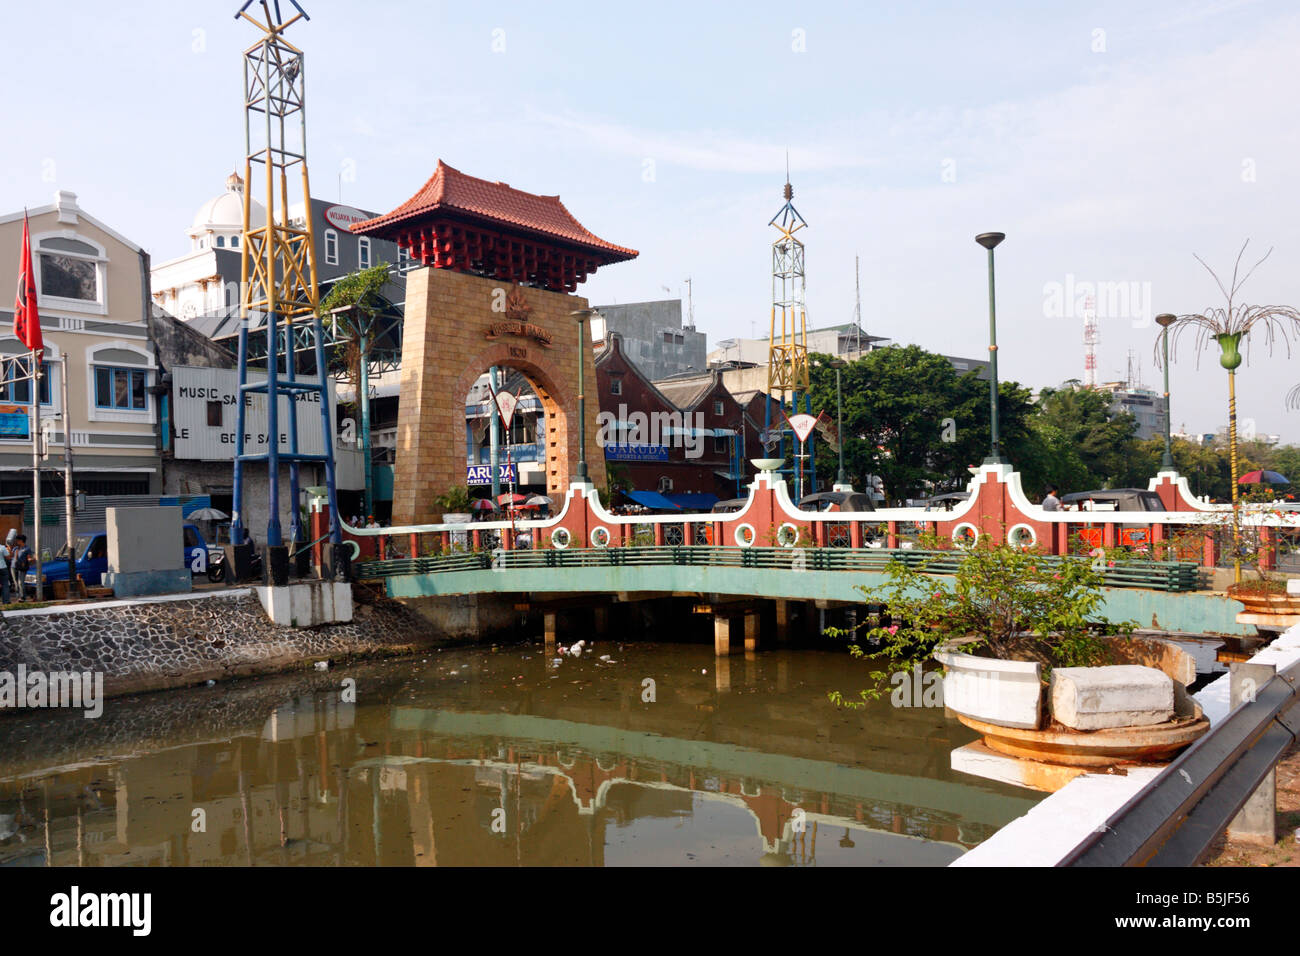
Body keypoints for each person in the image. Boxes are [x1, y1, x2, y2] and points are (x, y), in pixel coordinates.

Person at [10, 535, 31, 601]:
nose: (16, 541)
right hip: (13, 566)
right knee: (15, 582)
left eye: (17, 540)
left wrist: (30, 560)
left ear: (21, 541)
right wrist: (9, 549)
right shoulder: (15, 548)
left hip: (22, 567)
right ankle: (18, 595)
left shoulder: (27, 548)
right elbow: (10, 556)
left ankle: (22, 597)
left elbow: (29, 557)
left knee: (20, 582)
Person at [0, 539, 10, 605]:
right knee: (5, 585)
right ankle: (5, 602)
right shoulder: (2, 547)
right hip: (3, 567)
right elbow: (8, 557)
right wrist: (9, 549)